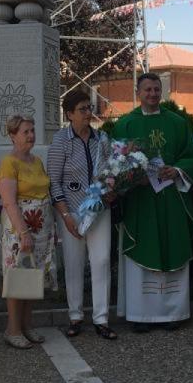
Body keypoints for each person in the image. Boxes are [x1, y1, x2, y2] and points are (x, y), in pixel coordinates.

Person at [113, 73, 193, 332]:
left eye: (156, 89)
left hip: (171, 199)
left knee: (172, 248)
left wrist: (177, 170)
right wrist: (131, 178)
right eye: (147, 89)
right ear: (138, 92)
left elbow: (192, 155)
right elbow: (115, 164)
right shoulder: (125, 124)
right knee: (143, 249)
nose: (152, 94)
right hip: (141, 202)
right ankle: (141, 316)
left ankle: (172, 314)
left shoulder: (177, 122)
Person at [48, 90, 117, 340]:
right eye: (83, 109)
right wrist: (65, 215)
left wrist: (111, 191)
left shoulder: (103, 139)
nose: (89, 113)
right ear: (69, 114)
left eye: (89, 108)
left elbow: (111, 173)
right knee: (74, 264)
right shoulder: (60, 141)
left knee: (101, 261)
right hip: (72, 211)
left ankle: (101, 319)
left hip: (99, 211)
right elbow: (53, 181)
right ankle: (75, 316)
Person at [0, 115, 59, 349]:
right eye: (25, 132)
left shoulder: (36, 161)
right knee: (17, 278)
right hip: (19, 229)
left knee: (32, 278)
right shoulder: (9, 163)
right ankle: (12, 329)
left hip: (41, 228)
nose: (31, 135)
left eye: (32, 130)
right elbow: (10, 202)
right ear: (13, 136)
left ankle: (26, 325)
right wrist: (23, 233)